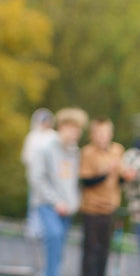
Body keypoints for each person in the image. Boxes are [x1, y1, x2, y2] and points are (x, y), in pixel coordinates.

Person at [28, 107, 88, 276]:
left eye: (79, 129)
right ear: (62, 127)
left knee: (59, 248)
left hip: (67, 209)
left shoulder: (75, 153)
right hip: (48, 205)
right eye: (73, 128)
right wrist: (55, 201)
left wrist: (74, 203)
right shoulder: (45, 149)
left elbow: (73, 183)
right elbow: (37, 178)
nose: (77, 133)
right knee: (53, 237)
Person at [78, 117, 133, 276]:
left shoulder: (117, 150)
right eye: (99, 133)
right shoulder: (87, 152)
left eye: (106, 133)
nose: (103, 136)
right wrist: (105, 172)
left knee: (104, 251)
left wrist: (127, 176)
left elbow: (120, 179)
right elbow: (86, 181)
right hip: (92, 209)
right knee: (91, 251)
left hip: (109, 208)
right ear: (92, 135)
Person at [21, 108, 55, 240]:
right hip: (35, 176)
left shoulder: (53, 136)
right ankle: (33, 228)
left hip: (50, 178)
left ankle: (45, 229)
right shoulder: (33, 137)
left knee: (48, 202)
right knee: (34, 202)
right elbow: (27, 157)